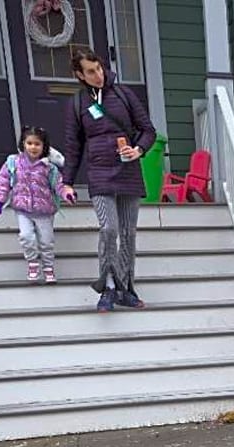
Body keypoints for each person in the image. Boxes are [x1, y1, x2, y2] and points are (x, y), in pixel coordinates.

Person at [61, 48, 156, 312]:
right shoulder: (78, 104)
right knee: (109, 229)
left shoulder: (124, 94)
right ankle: (108, 287)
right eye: (91, 72)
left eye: (99, 68)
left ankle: (126, 288)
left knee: (128, 233)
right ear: (80, 75)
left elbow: (148, 130)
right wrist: (67, 181)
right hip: (100, 173)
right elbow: (73, 146)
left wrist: (139, 150)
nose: (98, 75)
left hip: (128, 171)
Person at [0, 126, 74, 283]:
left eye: (37, 144)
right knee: (26, 236)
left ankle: (48, 267)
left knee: (46, 241)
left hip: (45, 211)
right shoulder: (13, 163)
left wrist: (67, 194)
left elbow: (59, 185)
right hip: (23, 210)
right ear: (23, 144)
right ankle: (32, 263)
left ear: (44, 146)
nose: (33, 147)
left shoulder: (49, 167)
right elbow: (3, 182)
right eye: (29, 143)